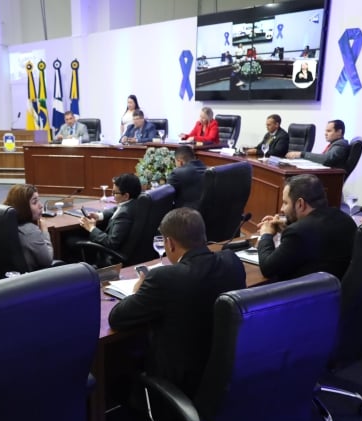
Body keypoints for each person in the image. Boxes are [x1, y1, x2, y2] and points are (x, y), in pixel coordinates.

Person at [108, 207, 246, 397]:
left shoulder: (163, 277)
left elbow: (117, 318)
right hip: (225, 374)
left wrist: (136, 292)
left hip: (179, 382)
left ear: (170, 243)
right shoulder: (232, 262)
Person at [256, 174, 357, 281]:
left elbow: (268, 268)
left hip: (307, 294)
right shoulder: (345, 219)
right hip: (337, 291)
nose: (282, 208)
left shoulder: (298, 232)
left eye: (285, 203)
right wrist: (286, 227)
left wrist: (266, 235)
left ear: (300, 204)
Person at [78, 173, 141, 263]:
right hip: (134, 252)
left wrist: (91, 228)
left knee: (71, 241)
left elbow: (111, 243)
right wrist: (99, 216)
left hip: (111, 259)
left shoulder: (124, 214)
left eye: (115, 193)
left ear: (126, 196)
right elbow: (117, 208)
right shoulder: (134, 202)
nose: (112, 195)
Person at [3, 184, 54, 270]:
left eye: (39, 201)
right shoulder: (30, 231)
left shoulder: (3, 223)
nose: (40, 206)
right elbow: (47, 261)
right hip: (34, 279)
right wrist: (45, 231)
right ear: (23, 207)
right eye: (34, 202)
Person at [167, 145, 206, 209]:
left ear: (180, 162)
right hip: (205, 212)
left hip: (185, 215)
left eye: (175, 162)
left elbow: (165, 196)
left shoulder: (177, 173)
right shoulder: (205, 168)